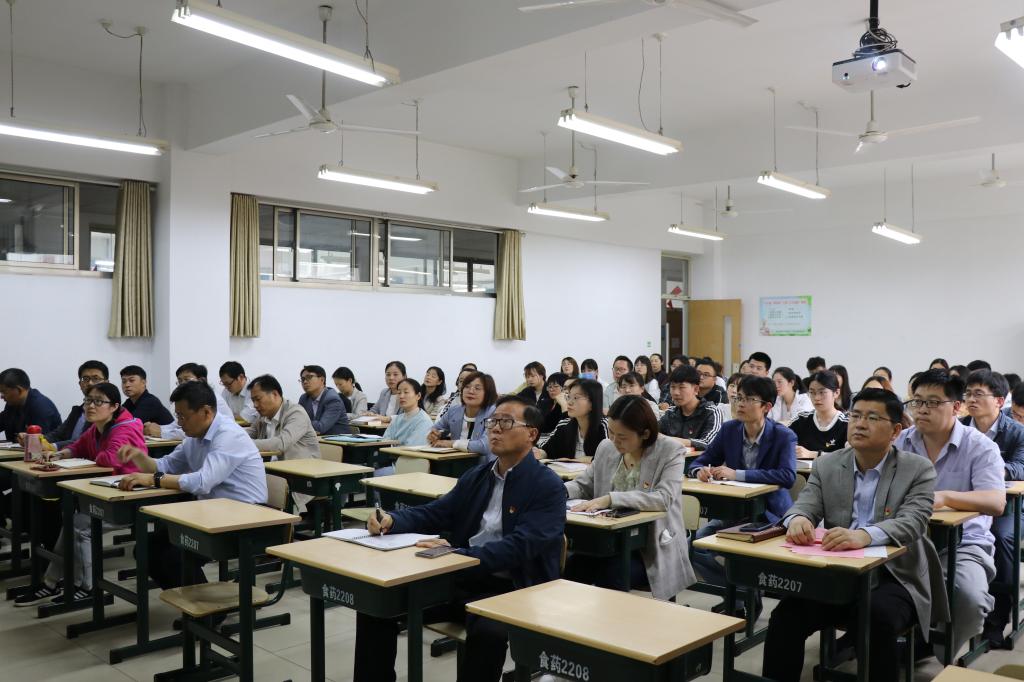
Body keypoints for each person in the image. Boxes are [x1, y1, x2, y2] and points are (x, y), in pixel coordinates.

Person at [355, 396, 565, 682]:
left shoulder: (547, 486)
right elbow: (438, 512)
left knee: (488, 633)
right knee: (377, 605)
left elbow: (520, 547)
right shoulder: (478, 475)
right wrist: (393, 520)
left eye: (505, 422)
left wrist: (457, 555)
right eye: (492, 422)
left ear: (532, 434)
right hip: (461, 576)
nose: (495, 429)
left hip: (512, 589)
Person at [762, 388, 942, 682]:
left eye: (872, 418)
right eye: (856, 416)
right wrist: (798, 519)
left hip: (895, 575)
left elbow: (914, 522)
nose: (860, 424)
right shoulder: (828, 463)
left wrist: (864, 536)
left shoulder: (917, 469)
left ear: (896, 431)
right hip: (838, 573)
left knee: (876, 617)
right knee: (786, 616)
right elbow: (805, 504)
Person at [895, 369, 1006, 661]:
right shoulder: (901, 442)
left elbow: (996, 501)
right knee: (867, 585)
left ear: (956, 406)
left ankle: (939, 650)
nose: (922, 409)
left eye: (933, 402)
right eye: (917, 401)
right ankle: (880, 642)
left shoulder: (980, 446)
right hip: (906, 540)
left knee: (969, 598)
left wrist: (944, 497)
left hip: (963, 544)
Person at [117, 381, 267, 589]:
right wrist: (140, 458)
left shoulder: (229, 435)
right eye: (177, 416)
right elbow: (166, 466)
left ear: (206, 412)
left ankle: (205, 606)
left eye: (183, 417)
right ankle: (194, 599)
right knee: (146, 548)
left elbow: (203, 482)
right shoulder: (194, 437)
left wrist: (154, 479)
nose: (179, 423)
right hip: (212, 512)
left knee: (174, 556)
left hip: (245, 518)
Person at [16, 382, 144, 606]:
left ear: (114, 406)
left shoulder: (125, 428)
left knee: (80, 526)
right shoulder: (97, 427)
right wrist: (60, 455)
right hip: (102, 493)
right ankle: (50, 583)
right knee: (71, 523)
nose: (91, 406)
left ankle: (88, 586)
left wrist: (89, 457)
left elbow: (110, 459)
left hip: (128, 498)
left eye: (98, 401)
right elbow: (78, 446)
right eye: (88, 400)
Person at [566, 395, 695, 600]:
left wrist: (610, 499)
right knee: (571, 569)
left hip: (650, 548)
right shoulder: (607, 447)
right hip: (606, 540)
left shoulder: (670, 451)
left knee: (611, 574)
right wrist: (558, 491)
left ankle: (617, 620)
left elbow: (663, 498)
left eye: (622, 436)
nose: (614, 440)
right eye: (611, 432)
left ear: (645, 433)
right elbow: (584, 484)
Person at [688, 375, 797, 614]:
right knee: (694, 547)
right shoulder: (730, 429)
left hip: (769, 516)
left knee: (742, 555)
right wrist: (700, 471)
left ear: (767, 406)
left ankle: (742, 599)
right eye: (738, 398)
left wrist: (737, 474)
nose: (740, 404)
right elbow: (700, 461)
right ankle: (741, 597)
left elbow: (787, 476)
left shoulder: (783, 435)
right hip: (735, 513)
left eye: (748, 399)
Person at [960, 370, 1024, 648]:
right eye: (968, 393)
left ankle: (997, 616)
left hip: (1008, 507)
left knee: (1001, 536)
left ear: (999, 400)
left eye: (978, 394)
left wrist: (987, 468)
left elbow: (1021, 468)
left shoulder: (1017, 432)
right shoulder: (958, 427)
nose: (971, 400)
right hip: (964, 502)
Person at [246, 374, 320, 512]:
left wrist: (244, 444)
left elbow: (281, 444)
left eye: (258, 399)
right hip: (272, 472)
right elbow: (247, 433)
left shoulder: (296, 413)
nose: (255, 405)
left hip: (300, 476)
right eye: (253, 400)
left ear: (274, 394)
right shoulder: (263, 416)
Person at [145, 363, 235, 439]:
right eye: (180, 381)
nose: (182, 384)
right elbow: (176, 425)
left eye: (186, 379)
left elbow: (194, 429)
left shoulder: (212, 399)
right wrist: (154, 428)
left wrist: (162, 433)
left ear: (201, 380)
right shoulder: (189, 400)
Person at [429, 372, 498, 463]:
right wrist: (435, 434)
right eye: (467, 387)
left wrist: (452, 443)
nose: (471, 391)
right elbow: (435, 428)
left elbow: (485, 446)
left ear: (488, 393)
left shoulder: (494, 413)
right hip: (455, 460)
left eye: (477, 388)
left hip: (484, 465)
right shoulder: (454, 411)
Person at [44, 360, 109, 447]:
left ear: (106, 383)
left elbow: (85, 441)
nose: (90, 383)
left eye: (95, 378)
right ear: (80, 384)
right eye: (85, 379)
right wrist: (38, 439)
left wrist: (54, 446)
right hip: (67, 454)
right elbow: (58, 434)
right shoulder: (77, 411)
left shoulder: (107, 412)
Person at [537, 378, 607, 459]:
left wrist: (577, 461)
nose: (569, 402)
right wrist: (541, 453)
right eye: (569, 397)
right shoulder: (564, 424)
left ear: (592, 403)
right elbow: (545, 448)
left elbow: (608, 459)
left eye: (576, 398)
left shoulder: (605, 426)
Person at [658, 365, 722, 452]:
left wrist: (671, 440)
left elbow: (709, 443)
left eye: (682, 387)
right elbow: (654, 433)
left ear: (696, 389)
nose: (676, 393)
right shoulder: (671, 412)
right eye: (673, 387)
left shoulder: (712, 412)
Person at [787, 370, 849, 459]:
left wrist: (813, 454)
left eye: (822, 392)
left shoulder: (846, 424)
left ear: (836, 393)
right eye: (812, 392)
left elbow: (849, 456)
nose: (816, 398)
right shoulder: (800, 420)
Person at [0, 367, 61, 440]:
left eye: (4, 392)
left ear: (19, 390)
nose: (1, 396)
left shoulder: (40, 407)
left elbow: (38, 443)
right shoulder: (12, 404)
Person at [297, 364, 350, 435]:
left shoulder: (333, 399)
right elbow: (296, 419)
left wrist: (298, 423)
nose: (305, 382)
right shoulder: (304, 398)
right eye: (303, 379)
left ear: (322, 380)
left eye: (309, 377)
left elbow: (320, 428)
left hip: (336, 440)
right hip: (315, 439)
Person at [381, 378, 433, 447]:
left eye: (406, 392)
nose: (401, 396)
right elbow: (385, 440)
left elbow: (412, 447)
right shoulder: (397, 419)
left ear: (418, 396)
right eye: (399, 393)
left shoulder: (424, 421)